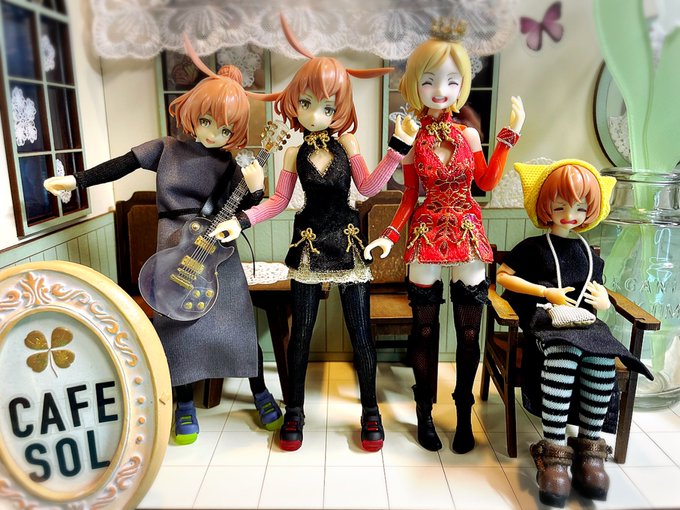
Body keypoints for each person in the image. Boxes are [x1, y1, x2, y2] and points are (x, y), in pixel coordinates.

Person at [43, 39, 283, 445]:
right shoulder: (166, 148)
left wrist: (257, 188)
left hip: (218, 249)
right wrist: (77, 180)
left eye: (226, 129)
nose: (215, 134)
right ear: (193, 113)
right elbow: (121, 165)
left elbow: (244, 207)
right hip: (173, 241)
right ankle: (184, 401)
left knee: (239, 320)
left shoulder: (230, 163)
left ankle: (260, 391)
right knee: (176, 323)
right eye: (208, 121)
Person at [210, 15, 418, 452]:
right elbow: (278, 201)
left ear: (339, 107)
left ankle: (371, 411)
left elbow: (369, 188)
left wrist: (397, 149)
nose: (315, 114)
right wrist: (241, 220)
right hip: (307, 245)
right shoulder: (291, 151)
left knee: (360, 335)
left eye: (326, 105)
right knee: (300, 336)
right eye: (306, 103)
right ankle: (295, 411)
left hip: (347, 242)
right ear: (295, 104)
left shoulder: (349, 145)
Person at [364, 28, 525, 454]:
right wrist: (389, 236)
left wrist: (509, 135)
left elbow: (485, 182)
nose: (441, 90)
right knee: (424, 327)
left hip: (467, 231)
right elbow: (409, 196)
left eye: (452, 81)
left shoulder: (468, 135)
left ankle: (463, 411)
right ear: (415, 83)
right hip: (426, 232)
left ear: (462, 85)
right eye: (430, 80)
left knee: (469, 332)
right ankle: (424, 412)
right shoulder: (412, 139)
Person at [497, 159, 653, 507]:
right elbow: (503, 276)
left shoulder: (587, 253)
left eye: (580, 208)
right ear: (546, 208)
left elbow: (598, 288)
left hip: (585, 323)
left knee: (601, 358)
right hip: (548, 322)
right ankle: (554, 452)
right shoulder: (533, 248)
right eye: (560, 207)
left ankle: (590, 451)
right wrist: (544, 292)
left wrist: (604, 300)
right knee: (564, 355)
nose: (570, 215)